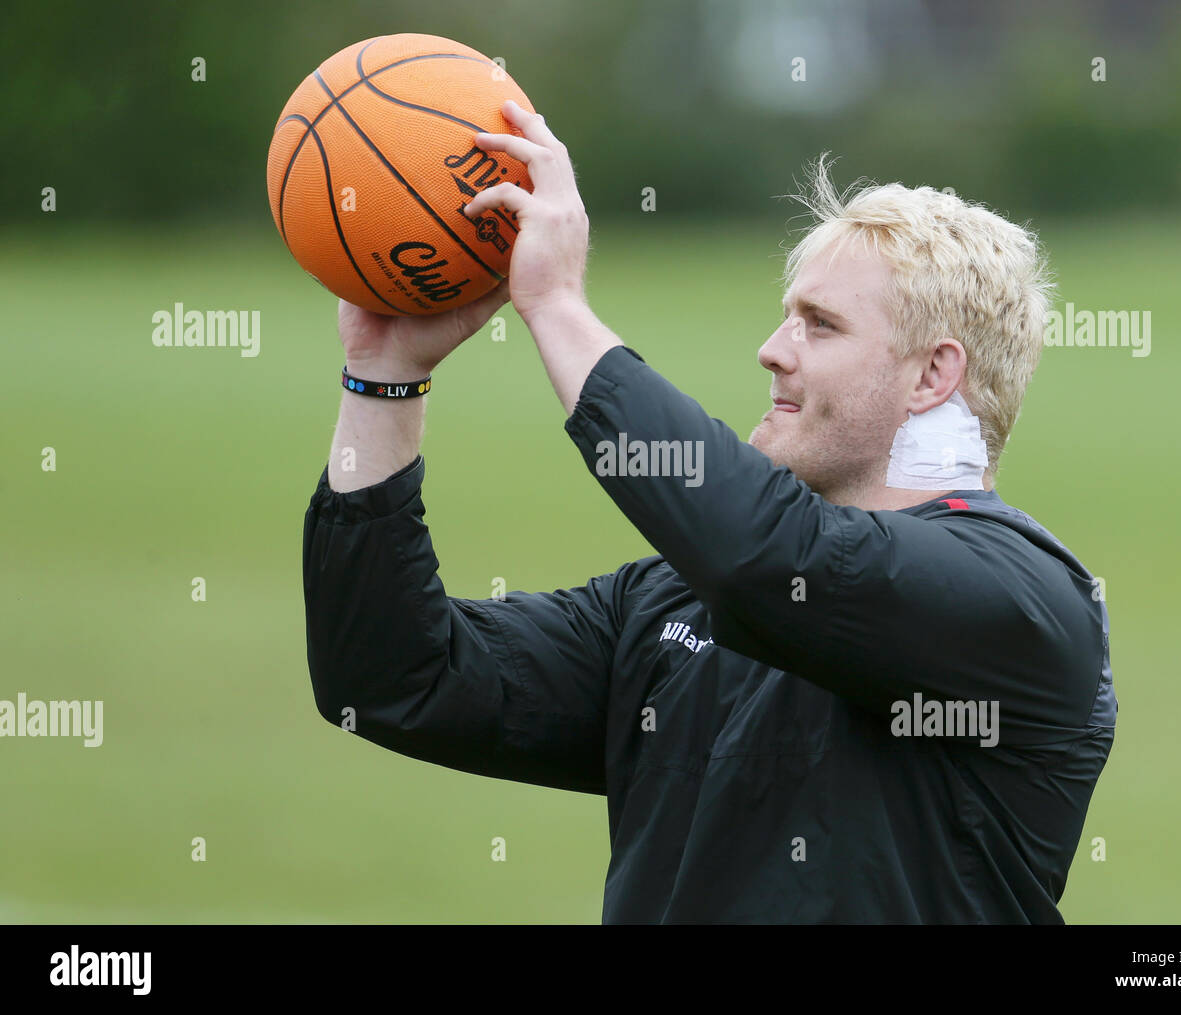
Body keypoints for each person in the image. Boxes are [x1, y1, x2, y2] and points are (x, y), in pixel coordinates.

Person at [302, 99, 1116, 923]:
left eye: (821, 326)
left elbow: (770, 557)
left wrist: (555, 306)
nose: (773, 347)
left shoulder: (1025, 601)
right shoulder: (668, 603)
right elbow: (389, 677)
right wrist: (382, 379)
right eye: (787, 314)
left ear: (932, 375)